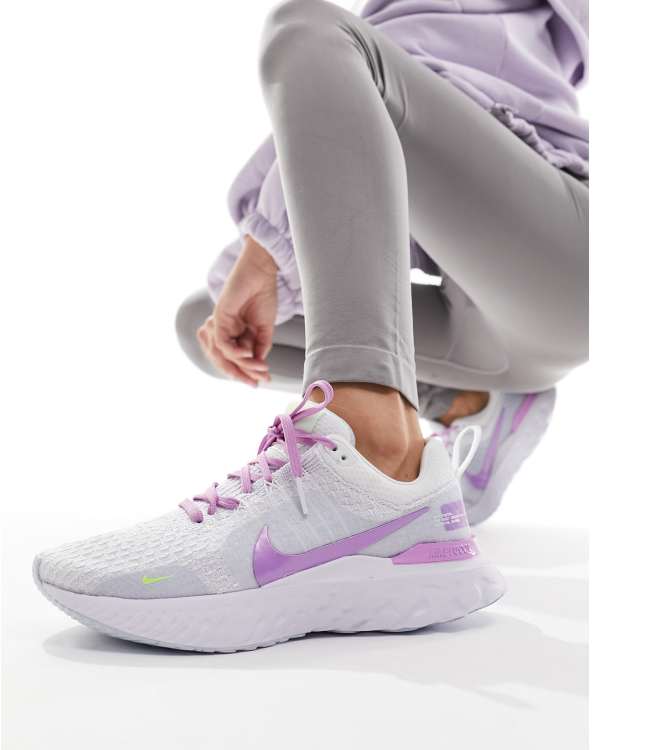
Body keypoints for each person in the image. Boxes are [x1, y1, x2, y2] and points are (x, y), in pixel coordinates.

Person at [35, 0, 588, 651]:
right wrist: (260, 258)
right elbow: (357, 143)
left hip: (570, 268)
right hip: (491, 325)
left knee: (306, 31)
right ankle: (473, 400)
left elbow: (406, 66)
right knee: (207, 326)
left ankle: (370, 462)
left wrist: (265, 248)